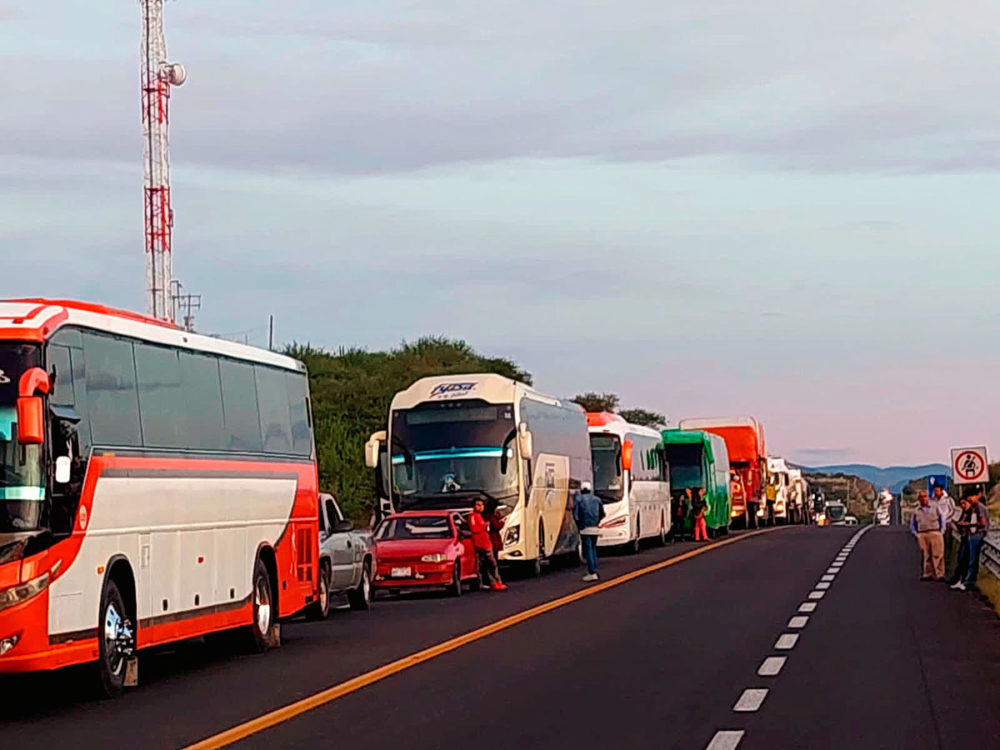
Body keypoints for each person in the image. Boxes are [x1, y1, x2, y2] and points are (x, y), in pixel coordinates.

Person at [951, 488, 990, 591]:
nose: (970, 500)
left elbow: (983, 523)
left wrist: (969, 524)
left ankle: (969, 582)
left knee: (972, 560)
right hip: (971, 535)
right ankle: (964, 580)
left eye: (970, 497)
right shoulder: (973, 507)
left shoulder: (979, 507)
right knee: (967, 559)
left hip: (977, 535)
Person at [469, 499, 506, 591]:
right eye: (478, 505)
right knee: (491, 564)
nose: (480, 507)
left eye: (482, 505)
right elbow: (475, 529)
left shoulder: (480, 516)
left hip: (486, 543)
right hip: (481, 544)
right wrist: (485, 525)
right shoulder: (473, 516)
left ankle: (494, 582)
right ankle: (495, 582)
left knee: (488, 564)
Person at [910, 490, 946, 581]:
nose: (923, 499)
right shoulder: (916, 511)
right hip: (922, 534)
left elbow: (942, 519)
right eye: (921, 497)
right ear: (918, 499)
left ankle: (939, 574)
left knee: (938, 554)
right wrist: (917, 534)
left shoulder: (935, 507)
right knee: (926, 555)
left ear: (928, 497)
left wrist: (941, 531)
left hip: (935, 532)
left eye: (925, 496)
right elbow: (912, 524)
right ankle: (927, 574)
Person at [573, 481, 605, 582]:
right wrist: (597, 522)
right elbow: (602, 514)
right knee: (593, 548)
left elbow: (576, 515)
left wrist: (579, 526)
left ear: (582, 490)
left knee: (588, 549)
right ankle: (594, 569)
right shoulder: (597, 499)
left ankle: (592, 572)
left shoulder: (579, 499)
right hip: (595, 527)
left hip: (585, 528)